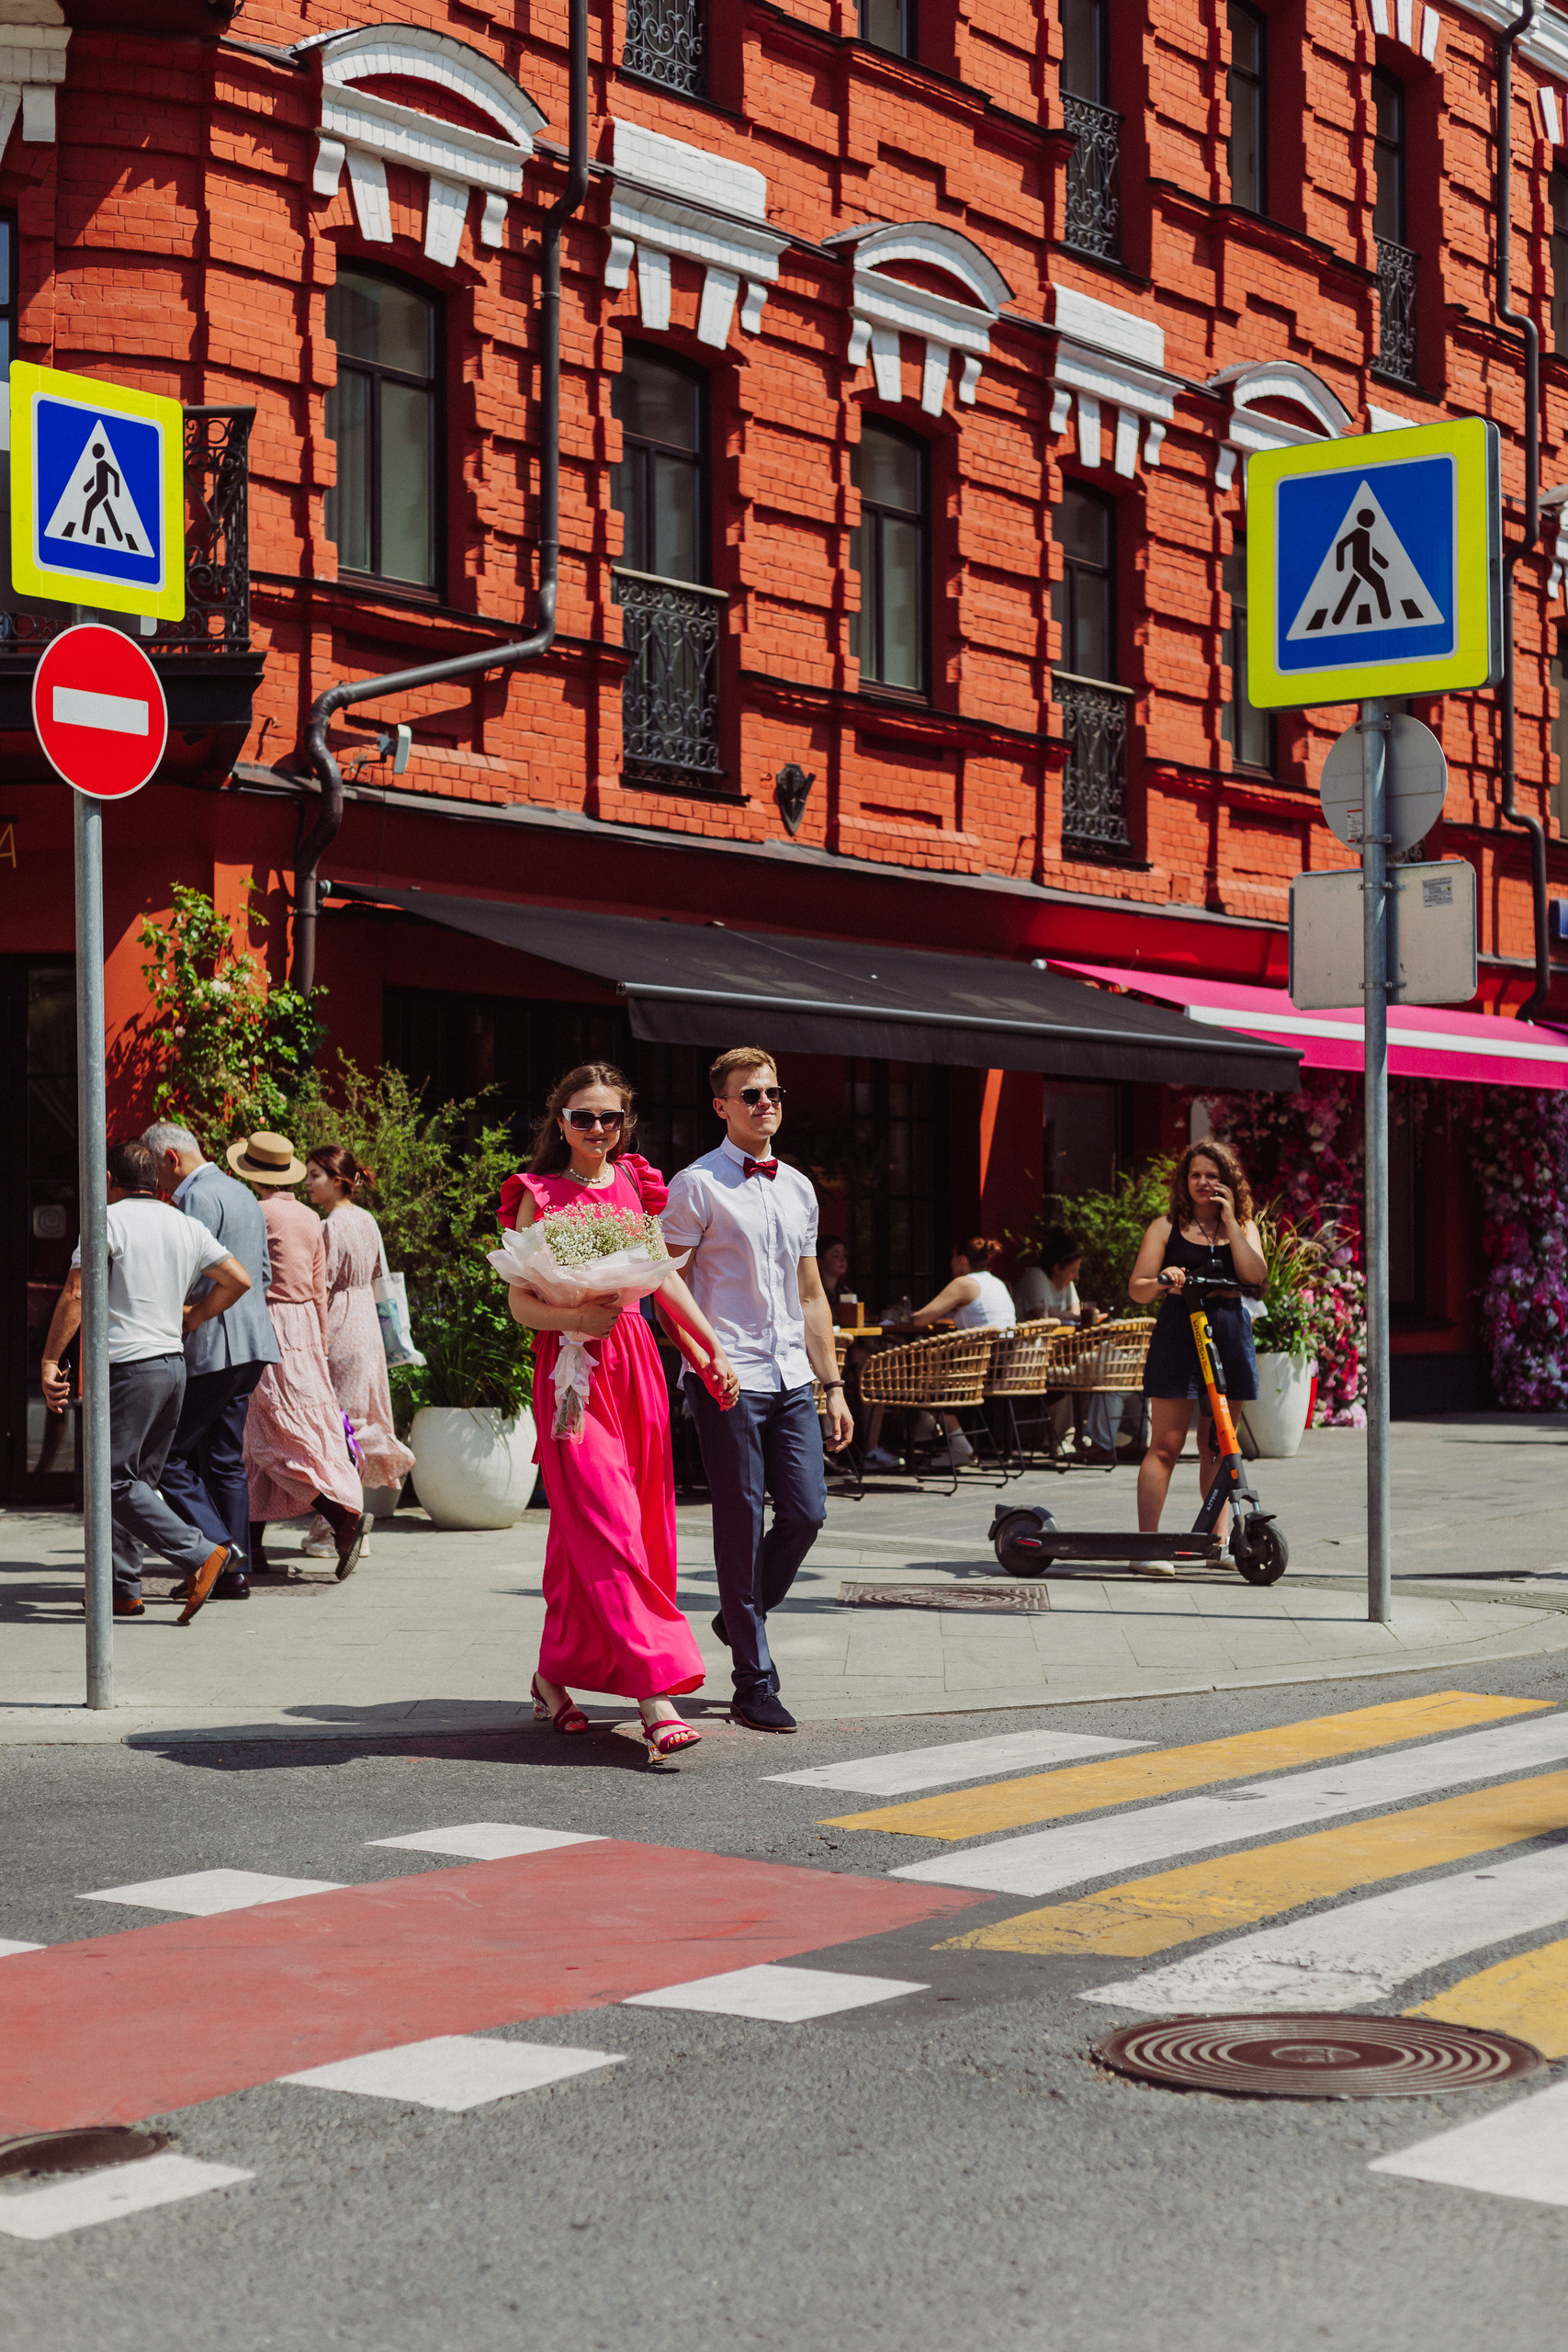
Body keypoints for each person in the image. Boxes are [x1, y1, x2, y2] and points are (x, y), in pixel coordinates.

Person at [502, 1063, 738, 1766]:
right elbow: (519, 1303)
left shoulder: (635, 1182)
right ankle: (653, 1693)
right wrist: (575, 1317)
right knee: (608, 1524)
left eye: (610, 1117)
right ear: (560, 1122)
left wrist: (709, 1350)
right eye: (583, 1117)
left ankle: (551, 1676)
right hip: (572, 1371)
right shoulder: (538, 1194)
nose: (597, 1129)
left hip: (636, 1368)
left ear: (624, 1123)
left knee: (617, 1527)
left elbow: (662, 1282)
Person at [661, 1048, 853, 1735]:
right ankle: (753, 1681)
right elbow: (666, 1287)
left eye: (772, 1092)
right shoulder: (695, 1186)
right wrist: (703, 1356)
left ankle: (736, 1617)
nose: (765, 1102)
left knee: (806, 1512)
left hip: (792, 1377)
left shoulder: (798, 1187)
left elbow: (811, 1293)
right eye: (750, 1095)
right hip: (728, 1377)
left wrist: (833, 1385)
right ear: (721, 1106)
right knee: (740, 1521)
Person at [39, 1137, 252, 1624]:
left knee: (111, 1479)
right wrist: (194, 1316)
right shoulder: (183, 1223)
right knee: (137, 1485)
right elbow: (238, 1279)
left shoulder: (107, 1220)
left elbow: (76, 1293)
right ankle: (122, 1590)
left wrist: (50, 1359)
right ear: (156, 1181)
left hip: (129, 1369)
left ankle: (202, 1554)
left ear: (107, 1180)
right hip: (172, 1368)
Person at [141, 1121, 281, 1603]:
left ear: (171, 1159)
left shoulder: (196, 1197)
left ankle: (222, 1555)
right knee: (223, 1460)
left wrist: (181, 1313)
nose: (156, 1182)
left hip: (213, 1343)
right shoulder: (243, 1193)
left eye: (156, 1169)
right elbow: (263, 1274)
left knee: (169, 1457)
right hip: (252, 1342)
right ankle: (232, 1572)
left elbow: (195, 1275)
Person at [230, 1132, 368, 1580]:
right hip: (305, 1325)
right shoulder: (310, 1217)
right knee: (271, 1435)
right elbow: (317, 1287)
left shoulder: (256, 1212)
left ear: (252, 1174)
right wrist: (320, 1343)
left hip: (268, 1322)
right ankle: (251, 1547)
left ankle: (340, 1517)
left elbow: (241, 1275)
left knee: (268, 1439)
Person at [1128, 1138, 1268, 1576]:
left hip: (1228, 1329)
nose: (1203, 1183)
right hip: (1179, 1329)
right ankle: (1147, 1547)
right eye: (1196, 1175)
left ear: (1228, 1182)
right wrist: (1162, 1280)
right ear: (1184, 1181)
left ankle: (1217, 1542)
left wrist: (1231, 1221)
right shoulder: (1165, 1227)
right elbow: (1137, 1289)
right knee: (1166, 1445)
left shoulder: (1242, 1225)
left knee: (1219, 1443)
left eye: (1212, 1175)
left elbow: (1256, 1276)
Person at [299, 1145, 416, 1562]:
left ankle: (335, 1530)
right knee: (354, 1424)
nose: (307, 1183)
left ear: (337, 1180)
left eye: (315, 1175)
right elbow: (378, 1272)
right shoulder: (367, 1220)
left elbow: (321, 1283)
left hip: (340, 1320)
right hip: (367, 1323)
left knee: (337, 1429)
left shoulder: (329, 1225)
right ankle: (344, 1527)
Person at [862, 1236, 1016, 1472]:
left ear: (962, 1260)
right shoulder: (997, 1283)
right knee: (924, 1365)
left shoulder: (964, 1283)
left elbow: (919, 1319)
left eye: (953, 1258)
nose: (950, 1263)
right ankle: (942, 1435)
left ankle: (923, 1434)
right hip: (1000, 1364)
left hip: (974, 1369)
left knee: (891, 1371)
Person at [1013, 1227, 1083, 1323]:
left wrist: (1075, 1316)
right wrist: (1078, 1317)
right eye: (1073, 1270)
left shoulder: (1065, 1281)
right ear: (1057, 1268)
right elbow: (1046, 1315)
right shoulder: (1035, 1275)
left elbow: (1076, 1311)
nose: (1076, 1276)